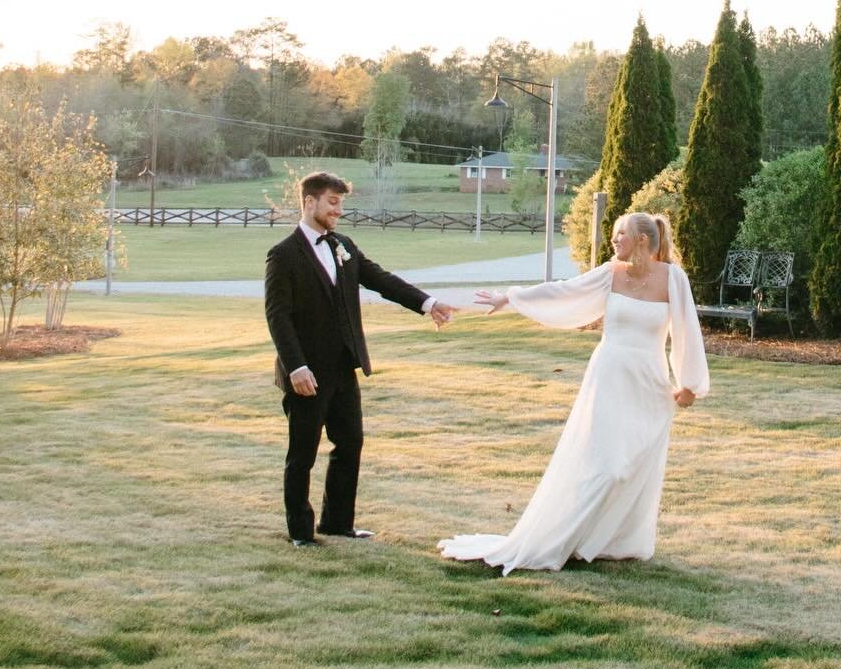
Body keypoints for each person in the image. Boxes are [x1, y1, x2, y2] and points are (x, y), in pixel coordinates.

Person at [439, 210, 709, 574]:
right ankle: (566, 536)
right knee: (607, 465)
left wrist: (689, 383)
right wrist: (511, 297)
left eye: (620, 233)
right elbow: (563, 291)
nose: (614, 240)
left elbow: (686, 329)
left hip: (650, 383)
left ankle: (616, 541)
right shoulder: (610, 274)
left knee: (635, 467)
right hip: (609, 377)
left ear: (642, 240)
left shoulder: (673, 278)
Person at [264, 171, 454, 547]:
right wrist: (295, 366)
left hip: (343, 367)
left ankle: (337, 523)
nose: (339, 210)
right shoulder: (283, 254)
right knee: (302, 453)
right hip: (306, 372)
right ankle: (300, 532)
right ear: (309, 202)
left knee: (350, 443)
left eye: (341, 203)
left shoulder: (343, 246)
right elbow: (277, 315)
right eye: (332, 202)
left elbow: (380, 279)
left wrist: (427, 303)